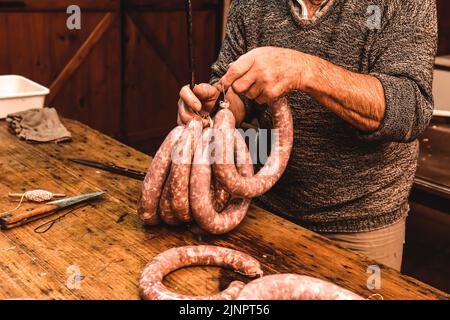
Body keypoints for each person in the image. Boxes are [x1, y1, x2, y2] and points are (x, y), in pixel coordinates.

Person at [177, 0, 438, 271]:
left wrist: (305, 71)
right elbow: (235, 89)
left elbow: (410, 109)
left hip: (360, 227)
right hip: (264, 210)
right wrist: (213, 105)